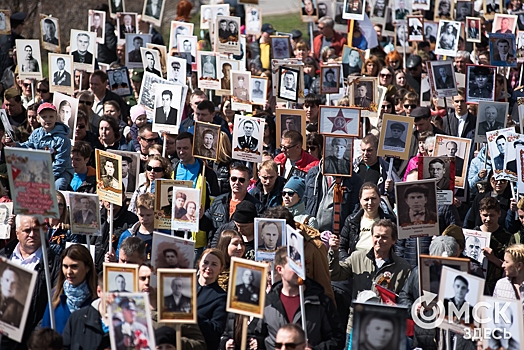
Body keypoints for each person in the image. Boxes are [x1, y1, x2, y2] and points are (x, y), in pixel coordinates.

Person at [252, 246, 344, 349]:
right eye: (294, 265)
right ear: (279, 269)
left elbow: (337, 338)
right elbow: (253, 334)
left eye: (302, 264)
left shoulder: (320, 301)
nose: (300, 268)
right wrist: (258, 343)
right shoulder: (268, 302)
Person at [16, 102, 74, 190]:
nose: (48, 119)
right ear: (38, 119)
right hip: (40, 171)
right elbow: (28, 146)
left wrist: (46, 177)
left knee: (58, 187)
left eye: (51, 116)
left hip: (61, 172)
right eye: (44, 117)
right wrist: (15, 145)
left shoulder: (63, 139)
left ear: (56, 118)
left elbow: (60, 163)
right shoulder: (36, 134)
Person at [41, 245, 97, 334]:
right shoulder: (55, 296)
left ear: (87, 267)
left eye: (74, 266)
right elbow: (44, 332)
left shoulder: (97, 301)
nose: (68, 272)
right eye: (65, 266)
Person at [196, 249, 228, 349]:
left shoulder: (221, 297)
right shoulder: (185, 285)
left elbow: (216, 331)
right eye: (205, 263)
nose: (208, 267)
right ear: (199, 262)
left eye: (214, 264)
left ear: (221, 268)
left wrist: (193, 316)